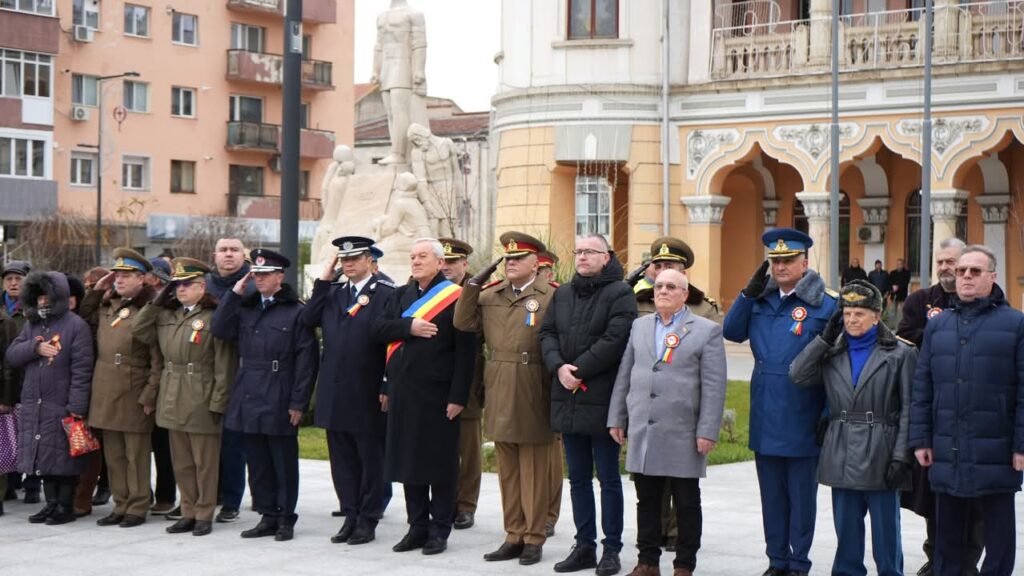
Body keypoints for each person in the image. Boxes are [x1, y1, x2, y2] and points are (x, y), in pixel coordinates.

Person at [722, 228, 839, 576]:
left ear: (804, 262)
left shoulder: (826, 303)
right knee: (772, 498)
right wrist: (746, 293)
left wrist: (827, 412)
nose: (781, 266)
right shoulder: (759, 299)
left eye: (788, 260)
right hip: (766, 412)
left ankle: (799, 562)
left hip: (804, 413)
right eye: (775, 260)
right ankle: (776, 560)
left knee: (801, 500)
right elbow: (731, 331)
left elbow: (836, 364)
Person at [790, 280, 917, 576]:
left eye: (859, 313)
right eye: (846, 314)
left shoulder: (900, 353)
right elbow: (797, 375)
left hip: (882, 448)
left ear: (877, 315)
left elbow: (910, 407)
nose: (852, 320)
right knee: (846, 532)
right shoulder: (833, 350)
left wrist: (902, 457)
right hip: (841, 447)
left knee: (886, 536)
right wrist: (823, 338)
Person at [910, 245, 1023, 576]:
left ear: (992, 276)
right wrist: (921, 440)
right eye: (961, 271)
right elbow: (923, 387)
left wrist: (1020, 445)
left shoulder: (1016, 324)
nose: (966, 277)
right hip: (948, 448)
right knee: (946, 537)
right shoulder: (938, 326)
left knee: (998, 537)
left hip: (997, 450)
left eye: (975, 271)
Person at [609, 268, 727, 576]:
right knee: (646, 499)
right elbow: (626, 374)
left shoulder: (704, 330)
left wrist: (708, 430)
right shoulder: (639, 326)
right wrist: (616, 417)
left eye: (671, 287)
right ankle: (647, 561)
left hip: (683, 431)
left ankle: (684, 564)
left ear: (685, 294)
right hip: (644, 428)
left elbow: (715, 386)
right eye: (659, 286)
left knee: (686, 501)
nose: (662, 291)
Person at [454, 232, 560, 566]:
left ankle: (534, 537)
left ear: (535, 263)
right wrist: (473, 284)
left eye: (518, 259)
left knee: (534, 467)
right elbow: (462, 322)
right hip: (499, 382)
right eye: (507, 259)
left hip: (534, 382)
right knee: (508, 469)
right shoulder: (489, 296)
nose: (510, 263)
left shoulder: (552, 296)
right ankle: (513, 534)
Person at [539, 234, 638, 576]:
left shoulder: (621, 293)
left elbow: (615, 340)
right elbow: (547, 333)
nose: (581, 257)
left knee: (608, 478)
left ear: (606, 257)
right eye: (578, 251)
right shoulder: (563, 293)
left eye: (589, 252)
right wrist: (558, 367)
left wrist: (577, 370)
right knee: (578, 478)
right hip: (568, 395)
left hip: (603, 397)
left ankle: (611, 550)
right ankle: (584, 546)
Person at [371, 238, 475, 555]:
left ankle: (439, 530)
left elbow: (466, 353)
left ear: (440, 262)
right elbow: (377, 330)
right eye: (413, 256)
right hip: (404, 392)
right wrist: (409, 327)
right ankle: (416, 527)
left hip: (440, 394)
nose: (415, 261)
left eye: (423, 256)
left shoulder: (457, 297)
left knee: (439, 464)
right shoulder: (401, 295)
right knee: (408, 462)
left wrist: (458, 397)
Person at [211, 249, 318, 542]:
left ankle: (285, 518)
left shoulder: (296, 311)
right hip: (249, 389)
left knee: (282, 461)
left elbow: (307, 362)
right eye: (255, 275)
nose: (259, 280)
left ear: (280, 277)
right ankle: (267, 514)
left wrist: (299, 402)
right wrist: (234, 292)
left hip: (280, 388)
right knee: (257, 461)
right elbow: (218, 329)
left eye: (265, 275)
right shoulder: (245, 307)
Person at [896, 238, 983, 576]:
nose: (947, 268)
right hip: (934, 410)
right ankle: (937, 559)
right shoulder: (921, 300)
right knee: (935, 493)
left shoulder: (979, 300)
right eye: (942, 261)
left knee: (974, 494)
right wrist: (941, 330)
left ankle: (968, 563)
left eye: (953, 262)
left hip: (974, 412)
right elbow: (905, 334)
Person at [301, 236, 396, 544]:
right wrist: (323, 281)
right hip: (334, 389)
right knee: (341, 460)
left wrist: (387, 382)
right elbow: (307, 320)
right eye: (344, 259)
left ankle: (368, 518)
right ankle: (350, 513)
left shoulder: (385, 294)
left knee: (370, 459)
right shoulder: (334, 294)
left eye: (355, 258)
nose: (349, 263)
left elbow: (393, 344)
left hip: (367, 389)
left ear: (370, 260)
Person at [133, 258, 235, 537]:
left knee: (205, 462)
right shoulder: (168, 315)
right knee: (182, 461)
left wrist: (219, 401)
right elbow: (140, 331)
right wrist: (157, 300)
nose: (180, 290)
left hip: (201, 391)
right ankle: (188, 510)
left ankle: (204, 512)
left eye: (186, 285)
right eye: (176, 285)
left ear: (202, 286)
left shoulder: (214, 316)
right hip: (172, 392)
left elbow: (224, 365)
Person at [78, 250, 162, 528]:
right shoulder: (107, 304)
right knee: (113, 453)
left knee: (135, 453)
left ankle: (138, 506)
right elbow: (83, 317)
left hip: (133, 386)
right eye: (117, 275)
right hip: (105, 387)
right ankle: (121, 503)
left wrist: (151, 393)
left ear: (143, 278)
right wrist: (98, 288)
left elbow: (156, 356)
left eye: (127, 276)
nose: (120, 280)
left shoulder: (149, 307)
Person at [6, 271, 95, 525]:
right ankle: (51, 504)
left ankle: (65, 506)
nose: (43, 302)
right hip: (36, 402)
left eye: (47, 297)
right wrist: (35, 348)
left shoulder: (76, 326)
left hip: (62, 403)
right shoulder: (32, 325)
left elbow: (82, 369)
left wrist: (77, 405)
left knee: (63, 458)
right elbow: (13, 355)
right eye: (39, 297)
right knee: (45, 457)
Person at [204, 237, 255, 524]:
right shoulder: (205, 285)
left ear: (243, 255)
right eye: (223, 250)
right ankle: (212, 493)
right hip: (205, 370)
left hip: (240, 369)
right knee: (209, 440)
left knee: (234, 441)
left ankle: (232, 500)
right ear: (215, 255)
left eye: (234, 250)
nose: (228, 255)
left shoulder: (252, 285)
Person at [437, 237, 485, 532]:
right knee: (440, 444)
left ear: (465, 264)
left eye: (453, 262)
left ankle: (466, 505)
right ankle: (444, 501)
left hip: (468, 377)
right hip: (434, 378)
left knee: (468, 447)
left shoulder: (476, 291)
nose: (446, 267)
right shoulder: (426, 289)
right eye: (442, 261)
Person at [371, 0, 428, 165]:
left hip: (403, 64)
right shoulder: (381, 17)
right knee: (390, 113)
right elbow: (378, 46)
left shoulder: (414, 14)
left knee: (399, 110)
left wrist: (419, 69)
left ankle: (399, 154)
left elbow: (420, 44)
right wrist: (375, 70)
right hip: (386, 67)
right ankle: (396, 151)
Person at [145, 256, 177, 516]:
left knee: (163, 445)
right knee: (139, 447)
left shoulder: (170, 302)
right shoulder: (141, 301)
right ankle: (143, 493)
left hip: (164, 379)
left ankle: (166, 494)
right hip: (138, 380)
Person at [2, 260, 36, 504]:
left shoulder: (34, 308)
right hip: (4, 380)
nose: (13, 283)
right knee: (6, 432)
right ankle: (9, 481)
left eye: (18, 279)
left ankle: (33, 483)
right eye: (9, 279)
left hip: (28, 378)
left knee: (30, 432)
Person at [537, 249, 565, 537]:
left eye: (543, 270)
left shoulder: (560, 296)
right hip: (526, 381)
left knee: (552, 454)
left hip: (552, 379)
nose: (540, 276)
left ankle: (549, 514)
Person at [627, 237, 720, 322]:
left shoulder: (705, 308)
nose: (662, 271)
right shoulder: (640, 301)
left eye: (669, 266)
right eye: (658, 267)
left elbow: (713, 338)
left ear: (682, 274)